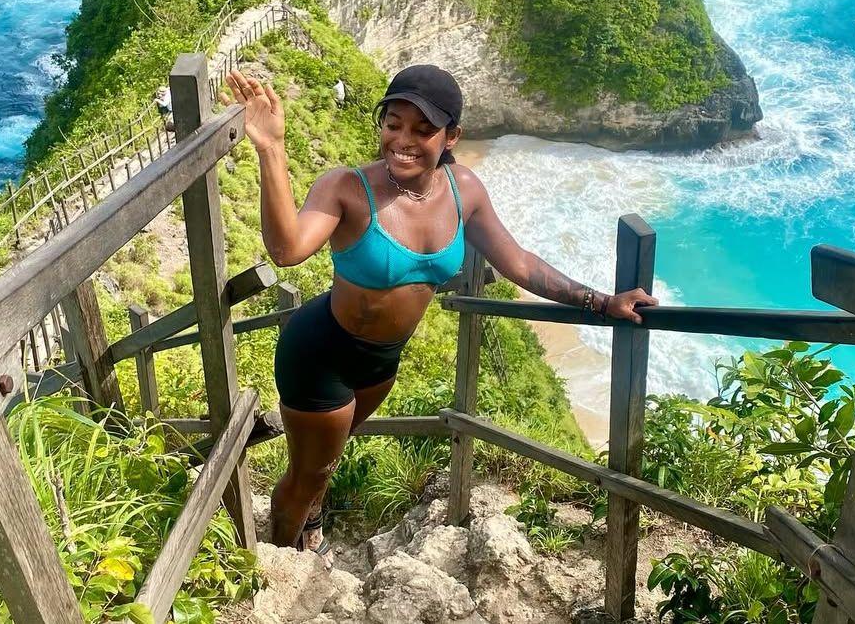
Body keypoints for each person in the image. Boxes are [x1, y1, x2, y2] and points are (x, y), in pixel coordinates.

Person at [219, 65, 658, 553]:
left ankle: (311, 516)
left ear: (452, 137)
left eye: (423, 130)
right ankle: (278, 561)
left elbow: (518, 263)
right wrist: (271, 149)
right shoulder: (346, 187)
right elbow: (287, 250)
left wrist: (600, 301)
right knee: (309, 471)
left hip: (381, 362)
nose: (402, 140)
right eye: (393, 124)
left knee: (327, 457)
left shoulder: (463, 190)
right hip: (321, 354)